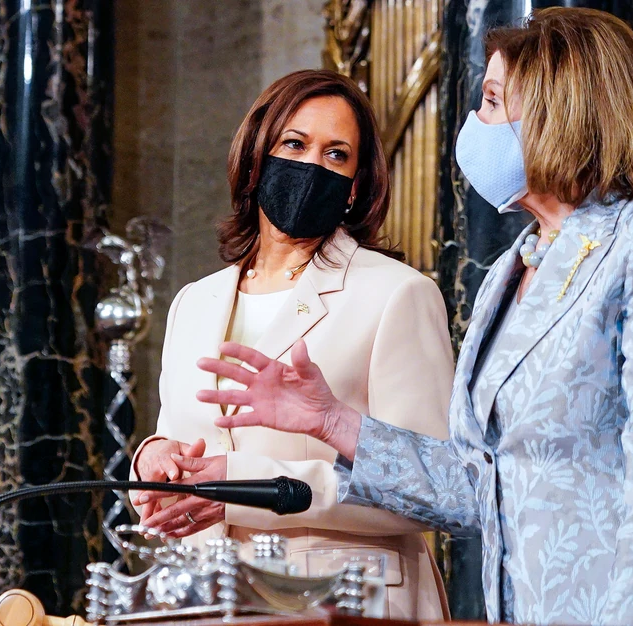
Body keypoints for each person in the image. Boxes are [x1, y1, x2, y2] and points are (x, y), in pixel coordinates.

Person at [195, 8, 633, 626]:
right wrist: (332, 421)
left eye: (490, 101)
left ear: (557, 111)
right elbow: (478, 488)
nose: (473, 124)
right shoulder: (511, 268)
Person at [130, 69, 454, 620]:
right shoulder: (194, 302)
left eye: (336, 155)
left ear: (355, 186)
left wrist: (243, 486)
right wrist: (155, 461)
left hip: (343, 602)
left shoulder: (398, 293)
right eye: (295, 145)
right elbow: (188, 441)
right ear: (256, 161)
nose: (310, 166)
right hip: (209, 600)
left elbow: (430, 488)